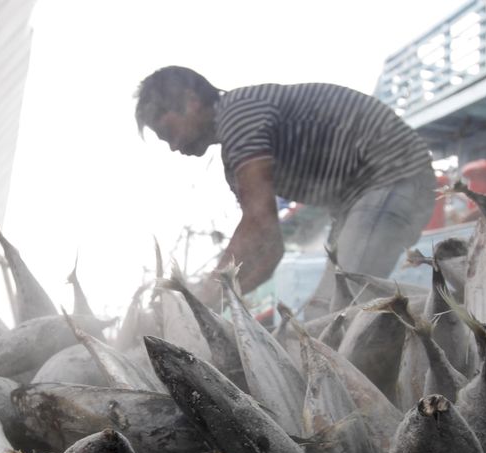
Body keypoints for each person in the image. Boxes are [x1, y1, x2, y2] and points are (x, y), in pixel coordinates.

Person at [135, 66, 435, 311]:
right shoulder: (234, 160)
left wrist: (201, 299)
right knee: (319, 317)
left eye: (169, 132)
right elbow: (269, 249)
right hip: (355, 202)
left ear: (191, 101)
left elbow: (258, 221)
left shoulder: (239, 115)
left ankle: (448, 310)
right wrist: (216, 304)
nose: (174, 146)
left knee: (342, 311)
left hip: (392, 172)